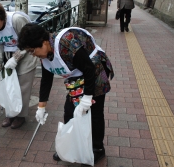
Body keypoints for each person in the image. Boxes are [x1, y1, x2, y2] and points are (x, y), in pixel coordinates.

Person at [17, 23, 114, 165]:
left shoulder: (66, 44)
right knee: (70, 111)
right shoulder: (45, 54)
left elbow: (88, 69)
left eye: (32, 50)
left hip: (95, 71)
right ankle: (71, 146)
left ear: (44, 42)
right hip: (77, 77)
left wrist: (87, 98)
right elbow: (46, 78)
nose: (33, 54)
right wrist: (41, 106)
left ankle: (97, 149)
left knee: (95, 113)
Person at [0, 1, 37, 129]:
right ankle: (10, 113)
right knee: (8, 86)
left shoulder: (16, 20)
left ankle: (20, 116)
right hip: (8, 57)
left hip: (26, 55)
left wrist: (16, 58)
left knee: (22, 87)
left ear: (1, 15)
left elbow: (30, 40)